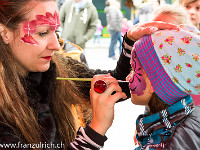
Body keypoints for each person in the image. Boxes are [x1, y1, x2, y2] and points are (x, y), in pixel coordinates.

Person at [0, 0, 180, 149]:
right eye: (42, 33)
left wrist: (130, 41)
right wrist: (95, 130)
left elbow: (117, 82)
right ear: (5, 33)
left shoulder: (56, 67)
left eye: (56, 31)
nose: (56, 45)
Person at [91, 21, 200, 150]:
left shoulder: (164, 144)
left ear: (157, 82)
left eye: (134, 69)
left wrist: (96, 128)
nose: (127, 77)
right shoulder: (187, 118)